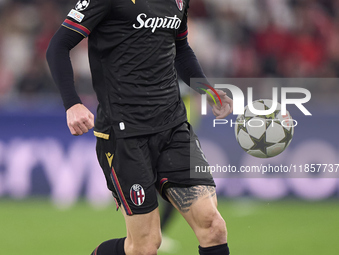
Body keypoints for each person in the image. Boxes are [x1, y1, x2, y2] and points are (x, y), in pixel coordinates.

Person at [46, 0, 233, 254]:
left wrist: (207, 90)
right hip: (124, 134)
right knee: (144, 246)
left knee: (214, 227)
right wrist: (72, 104)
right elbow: (58, 46)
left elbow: (180, 49)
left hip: (173, 127)